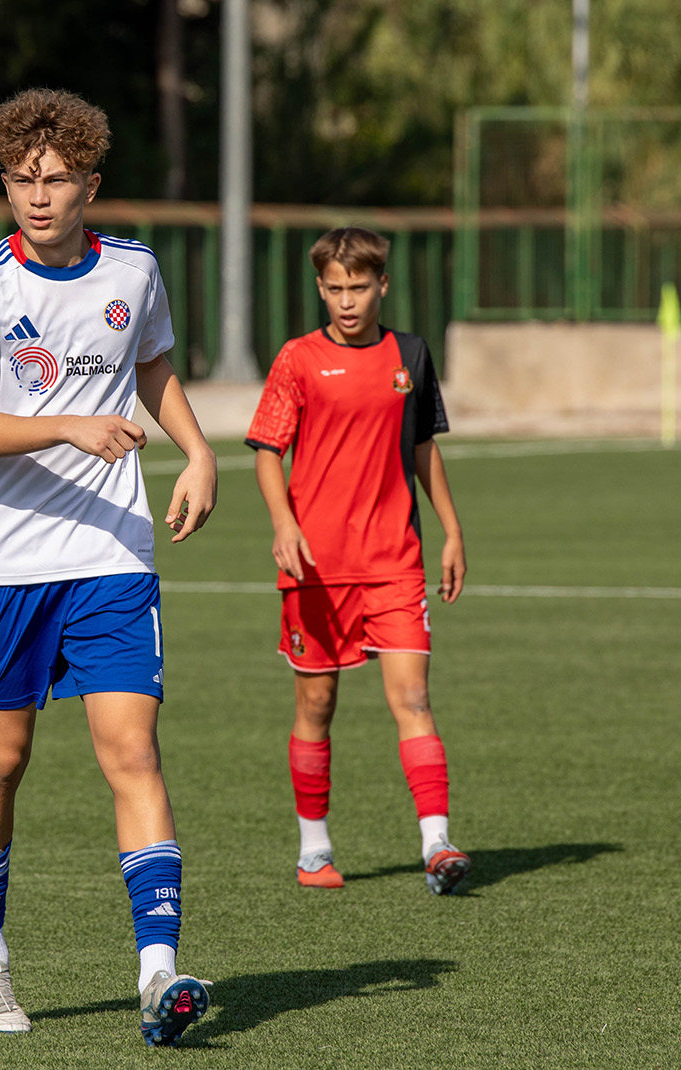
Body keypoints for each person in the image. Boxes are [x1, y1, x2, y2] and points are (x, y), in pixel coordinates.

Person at [0, 87, 218, 1045]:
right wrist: (65, 423)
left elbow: (154, 368)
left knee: (131, 751)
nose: (36, 196)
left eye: (54, 180)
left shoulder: (133, 270)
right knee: (0, 759)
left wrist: (199, 451)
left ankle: (159, 975)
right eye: (20, 180)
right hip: (5, 563)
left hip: (111, 553)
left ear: (91, 183)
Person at [245, 226, 472, 895]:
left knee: (412, 697)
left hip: (394, 562)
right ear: (320, 287)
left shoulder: (410, 354)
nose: (347, 301)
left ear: (382, 285)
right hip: (315, 566)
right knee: (316, 706)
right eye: (334, 288)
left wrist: (451, 530)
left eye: (359, 287)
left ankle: (436, 842)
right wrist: (283, 524)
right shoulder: (297, 359)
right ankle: (313, 849)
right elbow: (266, 450)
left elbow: (423, 446)